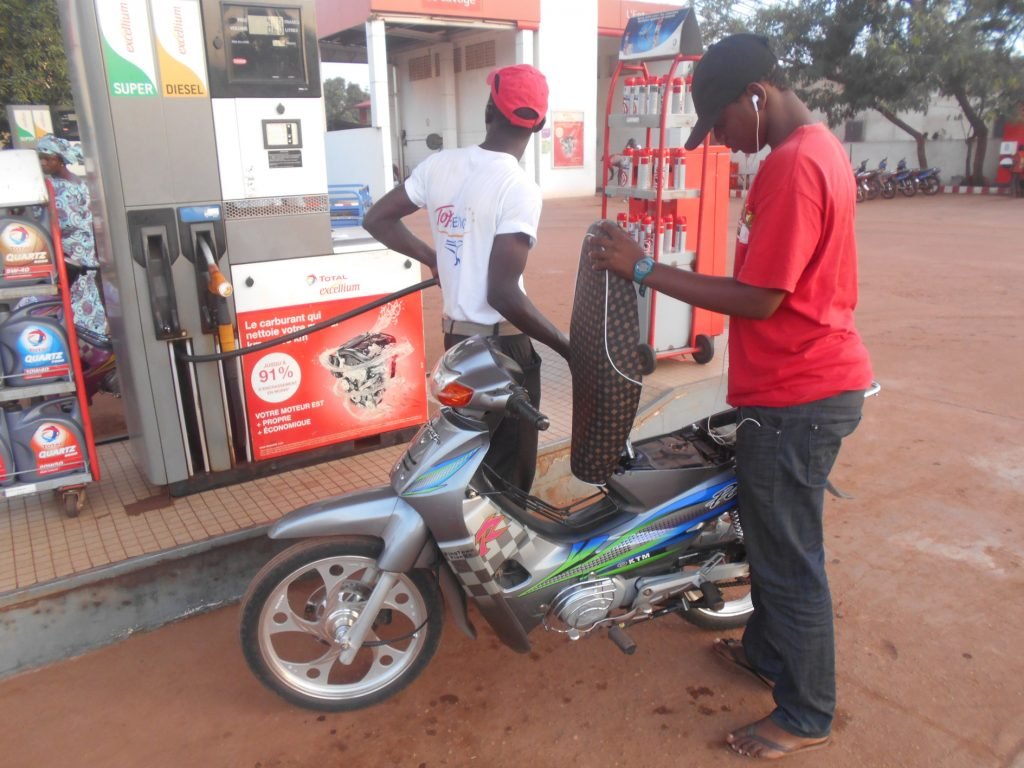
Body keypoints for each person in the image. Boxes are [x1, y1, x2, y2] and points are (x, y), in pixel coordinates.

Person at [588, 34, 873, 760]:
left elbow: (761, 298)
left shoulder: (794, 165)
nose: (719, 140)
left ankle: (805, 715)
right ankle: (767, 656)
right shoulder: (814, 150)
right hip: (797, 385)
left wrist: (645, 268)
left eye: (719, 123)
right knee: (773, 539)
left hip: (797, 396)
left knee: (787, 559)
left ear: (756, 96)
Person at [363, 64, 570, 494]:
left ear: (488, 110)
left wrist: (431, 256)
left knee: (467, 467)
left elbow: (376, 218)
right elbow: (502, 292)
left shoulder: (440, 166)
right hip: (503, 352)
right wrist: (566, 348)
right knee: (508, 477)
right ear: (542, 123)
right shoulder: (519, 187)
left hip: (458, 347)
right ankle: (505, 562)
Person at [35, 135, 109, 338]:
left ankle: (80, 339)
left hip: (70, 258)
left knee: (73, 299)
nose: (43, 163)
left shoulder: (59, 188)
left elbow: (61, 224)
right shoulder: (78, 183)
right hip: (83, 255)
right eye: (40, 158)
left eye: (47, 158)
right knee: (84, 298)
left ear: (60, 159)